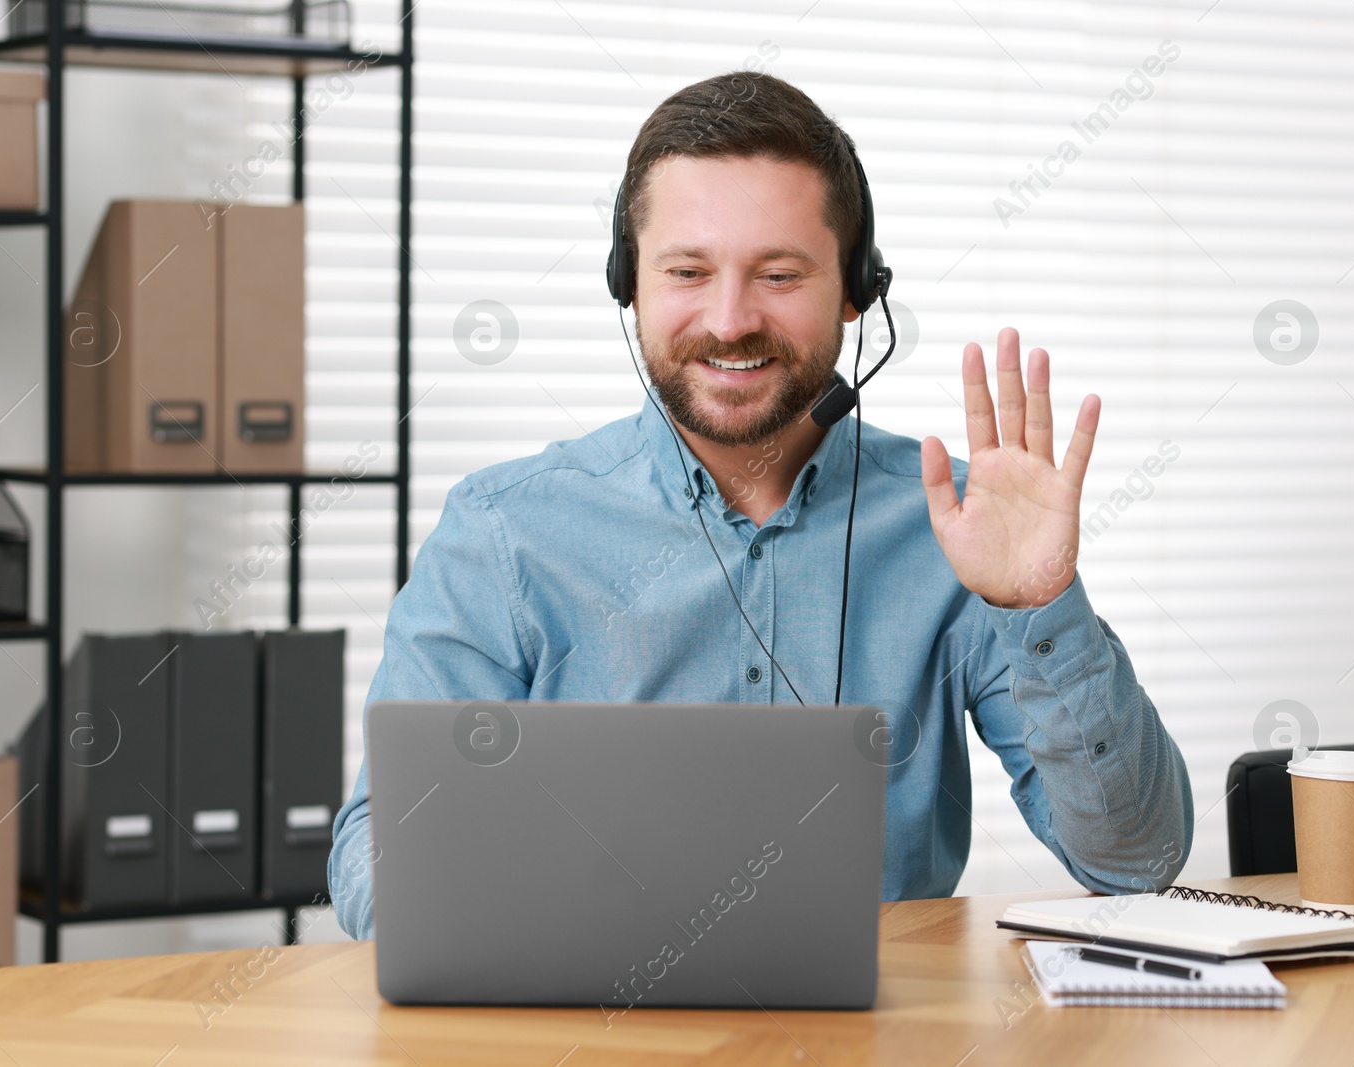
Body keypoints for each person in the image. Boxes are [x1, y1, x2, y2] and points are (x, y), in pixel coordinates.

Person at [328, 71, 1192, 940]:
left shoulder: (963, 530)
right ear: (630, 283)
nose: (731, 319)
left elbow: (1136, 862)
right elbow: (380, 848)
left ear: (857, 288)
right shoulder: (504, 532)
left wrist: (1040, 605)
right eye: (688, 271)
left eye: (779, 273)